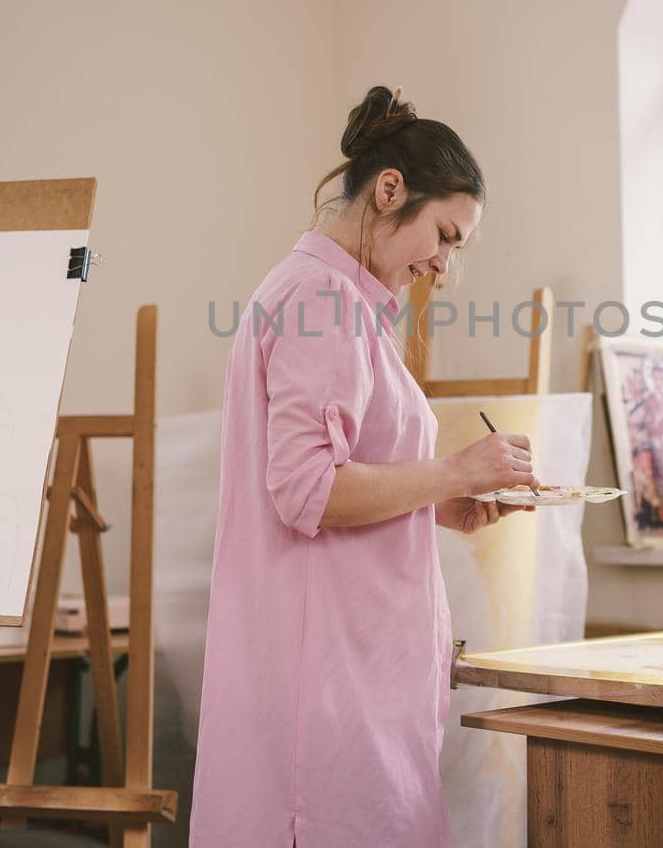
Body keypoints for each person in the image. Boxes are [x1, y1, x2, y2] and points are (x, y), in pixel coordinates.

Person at [190, 86, 536, 847]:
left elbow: (343, 473)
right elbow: (307, 489)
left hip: (350, 685)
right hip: (329, 696)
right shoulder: (322, 299)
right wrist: (452, 471)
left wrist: (444, 502)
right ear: (389, 191)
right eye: (444, 234)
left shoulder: (339, 298)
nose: (443, 263)